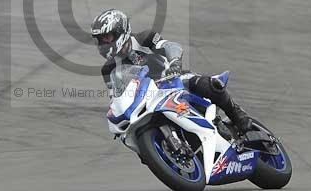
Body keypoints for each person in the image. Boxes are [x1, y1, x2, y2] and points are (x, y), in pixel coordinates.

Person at [90, 8, 253, 133]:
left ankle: (236, 114)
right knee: (137, 134)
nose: (104, 43)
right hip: (148, 98)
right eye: (100, 39)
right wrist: (115, 113)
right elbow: (116, 97)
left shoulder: (143, 38)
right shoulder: (108, 69)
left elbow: (170, 46)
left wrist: (175, 62)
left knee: (209, 85)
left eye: (107, 37)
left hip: (173, 80)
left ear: (120, 31)